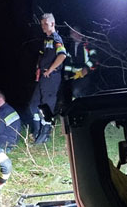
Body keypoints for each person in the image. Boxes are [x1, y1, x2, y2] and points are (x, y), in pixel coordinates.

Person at [29, 13, 68, 145]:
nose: (43, 27)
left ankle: (45, 134)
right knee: (34, 104)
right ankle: (37, 131)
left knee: (47, 105)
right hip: (42, 78)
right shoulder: (46, 39)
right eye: (41, 24)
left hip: (51, 77)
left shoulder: (56, 38)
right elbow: (42, 55)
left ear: (52, 23)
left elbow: (62, 55)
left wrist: (51, 69)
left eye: (45, 24)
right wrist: (38, 69)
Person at [64, 26, 98, 99]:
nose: (70, 34)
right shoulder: (71, 46)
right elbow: (68, 62)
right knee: (72, 94)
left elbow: (94, 59)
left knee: (77, 91)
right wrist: (66, 74)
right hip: (75, 76)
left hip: (86, 75)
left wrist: (86, 69)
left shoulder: (87, 44)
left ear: (78, 33)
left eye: (72, 32)